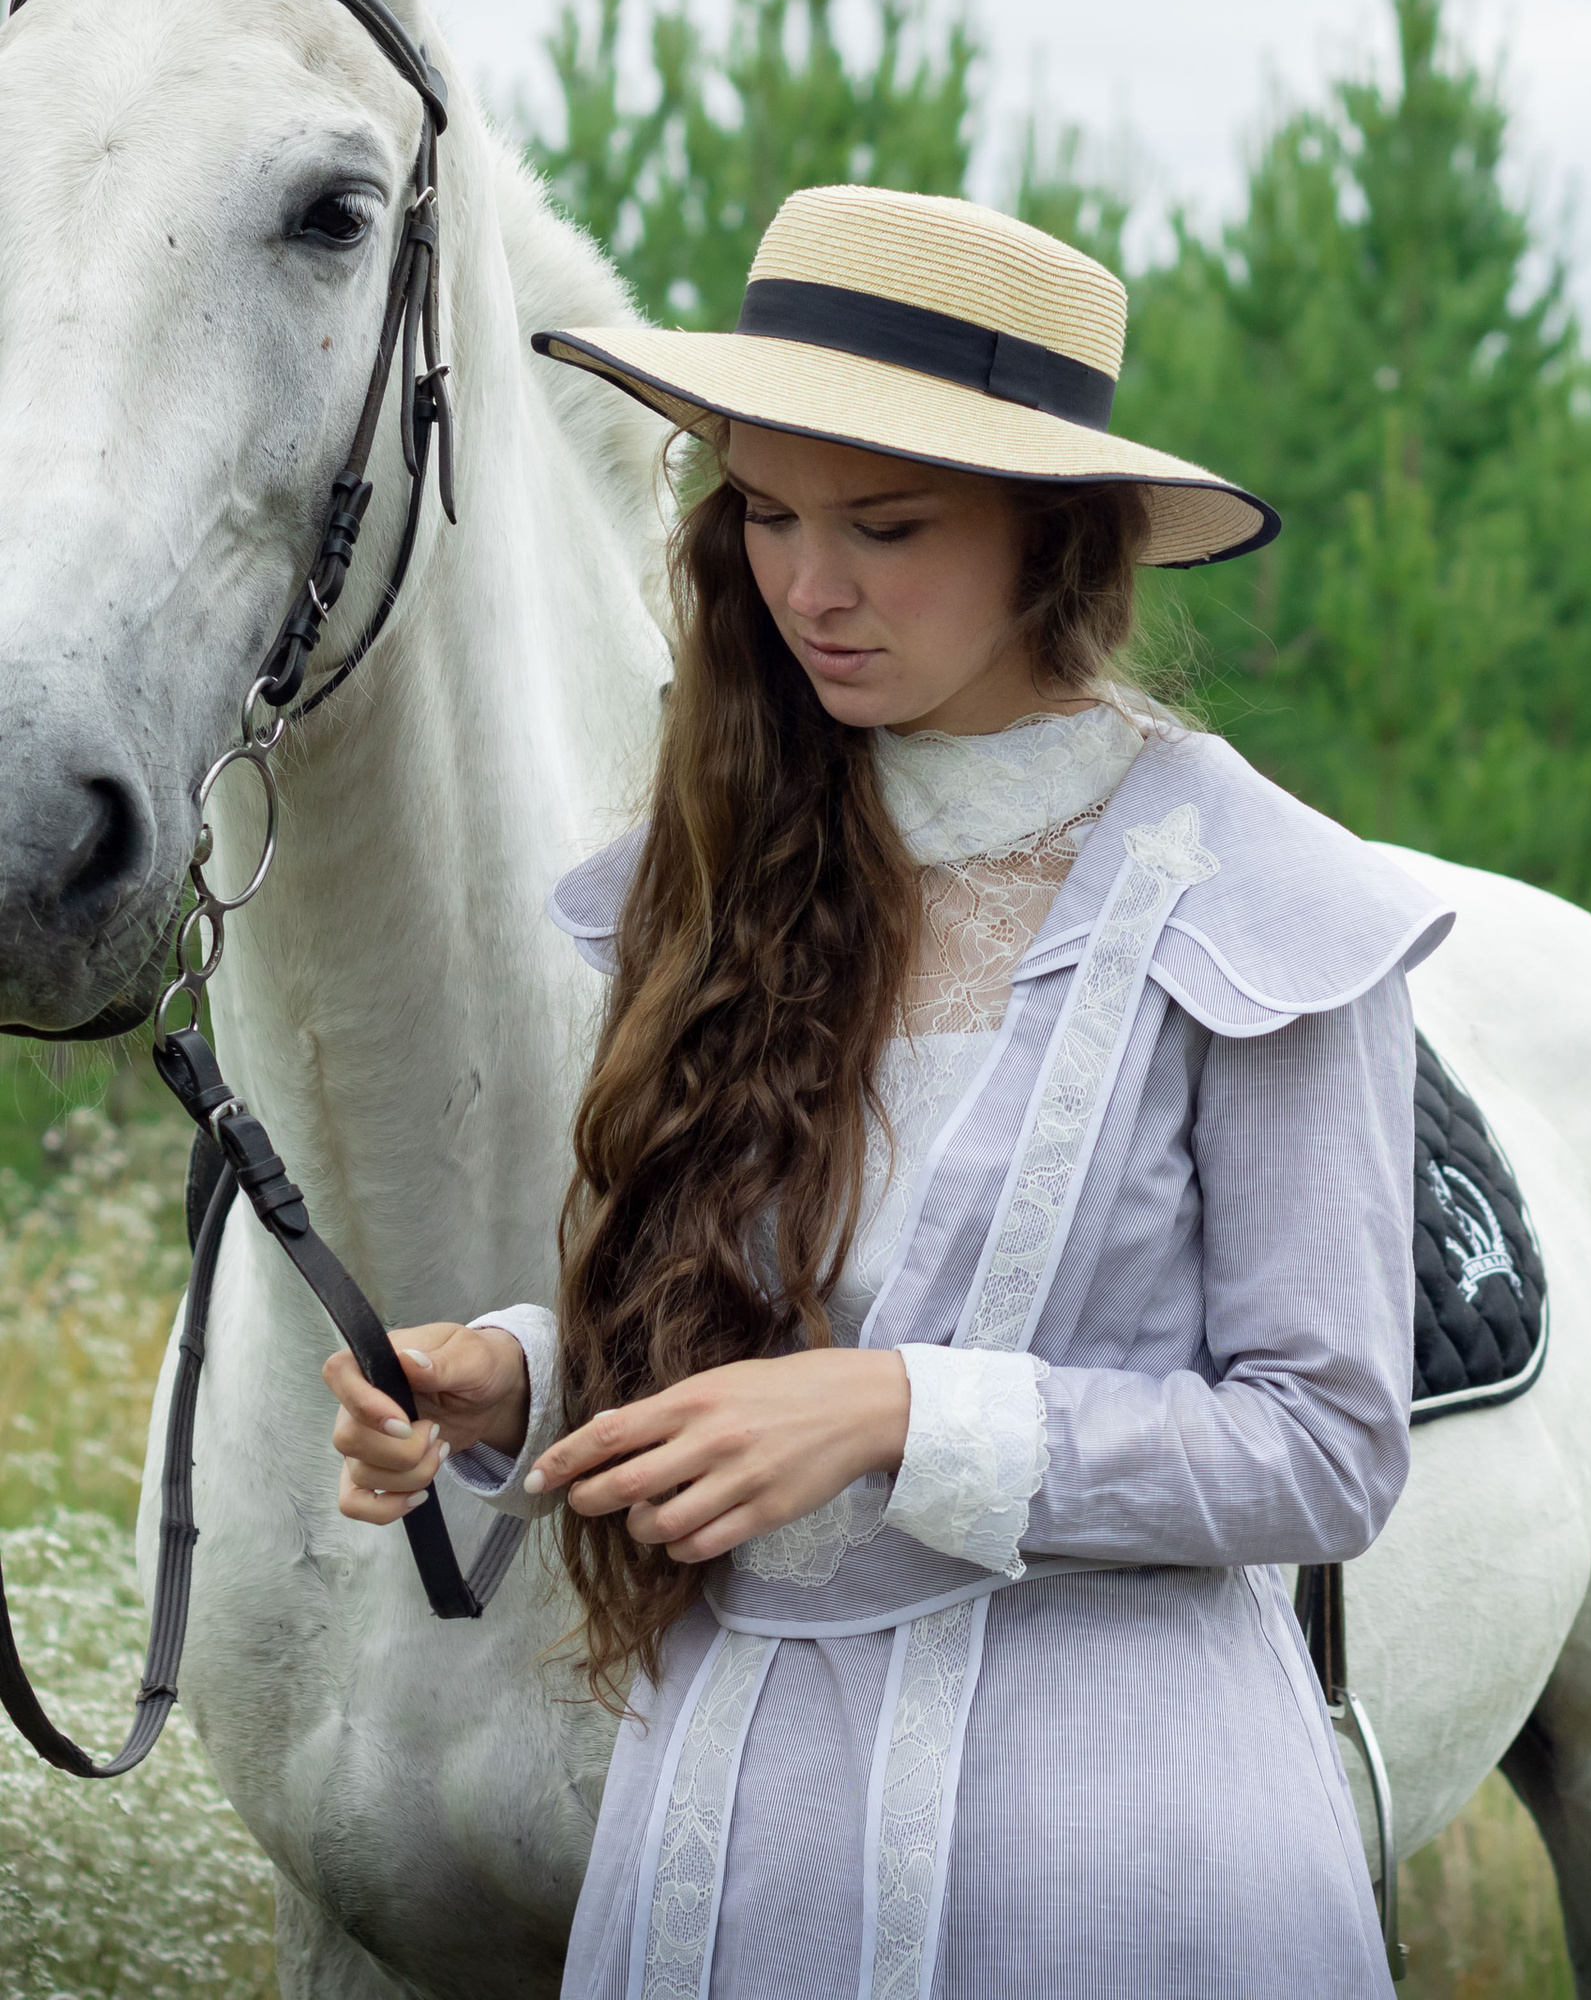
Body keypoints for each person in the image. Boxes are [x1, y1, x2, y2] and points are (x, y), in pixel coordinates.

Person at [319, 185, 1451, 1999]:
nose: (808, 587)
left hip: (1114, 1864)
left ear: (1056, 541)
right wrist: (524, 1376)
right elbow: (768, 1346)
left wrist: (903, 1415)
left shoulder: (1261, 908)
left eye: (889, 524)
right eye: (765, 514)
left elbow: (1323, 1450)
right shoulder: (704, 880)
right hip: (726, 1854)